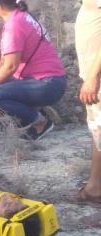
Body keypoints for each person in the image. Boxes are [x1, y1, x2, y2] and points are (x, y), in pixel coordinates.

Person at [0, 0, 67, 141]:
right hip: (51, 81)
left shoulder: (14, 25)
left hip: (46, 83)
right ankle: (36, 113)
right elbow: (4, 60)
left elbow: (10, 67)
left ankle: (40, 122)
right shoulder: (22, 16)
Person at [75, 0, 101, 204]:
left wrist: (93, 76)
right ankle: (95, 187)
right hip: (93, 75)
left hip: (97, 76)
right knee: (97, 130)